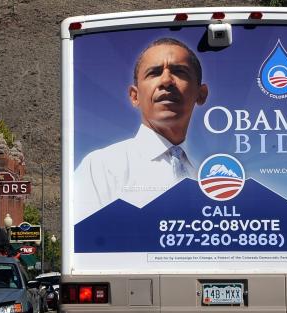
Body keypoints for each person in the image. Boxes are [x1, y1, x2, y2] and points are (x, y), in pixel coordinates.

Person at [73, 37, 208, 221]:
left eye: (179, 71)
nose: (167, 81)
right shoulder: (101, 167)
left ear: (201, 94)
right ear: (134, 96)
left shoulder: (210, 173)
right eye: (154, 73)